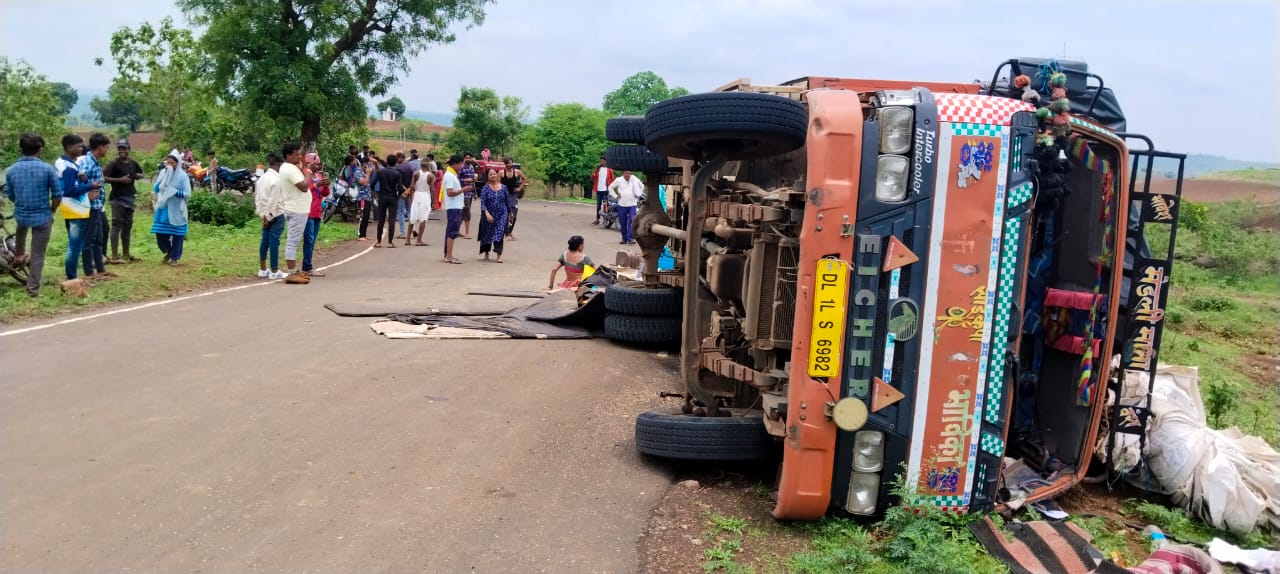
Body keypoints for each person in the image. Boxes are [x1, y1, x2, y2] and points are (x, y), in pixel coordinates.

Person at [3, 133, 62, 297]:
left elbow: (11, 194)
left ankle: (19, 254)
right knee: (37, 255)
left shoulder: (11, 170)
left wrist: (20, 203)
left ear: (22, 149)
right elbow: (57, 195)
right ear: (40, 149)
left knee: (21, 227)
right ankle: (32, 289)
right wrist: (52, 211)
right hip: (43, 216)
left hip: (21, 215)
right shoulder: (47, 169)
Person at [54, 134, 95, 281]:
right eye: (78, 146)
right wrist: (91, 185)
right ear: (69, 147)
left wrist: (82, 180)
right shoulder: (69, 167)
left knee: (75, 244)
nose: (82, 148)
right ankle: (72, 277)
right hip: (76, 210)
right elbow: (70, 190)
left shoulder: (63, 163)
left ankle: (72, 276)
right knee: (75, 246)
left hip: (71, 209)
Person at [74, 133, 112, 279]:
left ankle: (101, 269)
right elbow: (78, 181)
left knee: (98, 239)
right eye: (106, 147)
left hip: (97, 206)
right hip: (90, 206)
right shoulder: (87, 162)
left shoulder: (94, 161)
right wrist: (86, 194)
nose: (107, 150)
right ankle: (89, 272)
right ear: (100, 147)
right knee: (89, 240)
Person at [103, 138, 144, 264]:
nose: (122, 151)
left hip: (130, 197)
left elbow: (141, 173)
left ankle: (126, 253)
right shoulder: (113, 164)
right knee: (116, 226)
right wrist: (119, 180)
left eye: (124, 148)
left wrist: (138, 176)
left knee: (127, 226)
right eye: (120, 148)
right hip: (117, 198)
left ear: (129, 149)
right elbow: (103, 178)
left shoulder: (132, 163)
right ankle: (115, 256)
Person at [150, 150, 191, 266]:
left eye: (172, 163)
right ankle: (169, 251)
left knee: (178, 235)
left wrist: (174, 192)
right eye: (168, 163)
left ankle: (175, 257)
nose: (169, 165)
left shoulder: (183, 176)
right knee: (160, 233)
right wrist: (160, 184)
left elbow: (188, 194)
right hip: (163, 208)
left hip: (177, 209)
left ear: (177, 163)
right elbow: (156, 188)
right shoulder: (163, 172)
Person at [278, 142, 311, 284]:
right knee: (293, 241)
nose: (299, 156)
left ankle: (294, 270)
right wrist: (309, 172)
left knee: (295, 240)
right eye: (296, 154)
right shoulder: (289, 169)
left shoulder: (292, 167)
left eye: (300, 154)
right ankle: (291, 273)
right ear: (288, 156)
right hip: (296, 209)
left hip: (299, 208)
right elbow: (304, 186)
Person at [254, 152, 288, 279]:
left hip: (264, 214)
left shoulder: (261, 178)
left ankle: (263, 269)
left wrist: (263, 215)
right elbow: (273, 201)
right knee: (274, 241)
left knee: (265, 241)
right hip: (276, 214)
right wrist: (269, 217)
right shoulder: (277, 180)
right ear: (279, 164)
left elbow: (257, 197)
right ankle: (274, 271)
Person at [302, 152, 330, 277]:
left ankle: (307, 265)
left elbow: (323, 194)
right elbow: (304, 189)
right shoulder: (304, 174)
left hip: (317, 212)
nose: (318, 166)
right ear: (309, 163)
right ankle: (307, 267)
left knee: (312, 240)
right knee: (309, 240)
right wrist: (316, 185)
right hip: (307, 212)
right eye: (316, 164)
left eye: (319, 164)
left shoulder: (318, 175)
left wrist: (325, 186)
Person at [477, 168, 509, 262]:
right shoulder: (485, 188)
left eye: (494, 174)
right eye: (491, 174)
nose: (493, 176)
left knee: (499, 233)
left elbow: (507, 201)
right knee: (487, 233)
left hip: (502, 214)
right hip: (488, 215)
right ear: (487, 177)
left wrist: (510, 213)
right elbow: (483, 203)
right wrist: (487, 214)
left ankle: (499, 255)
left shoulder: (504, 187)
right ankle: (486, 252)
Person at [374, 154, 404, 248]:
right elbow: (400, 188)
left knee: (381, 220)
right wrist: (398, 196)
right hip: (392, 198)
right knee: (391, 220)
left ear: (386, 162)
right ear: (395, 163)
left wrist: (375, 195)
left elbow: (372, 184)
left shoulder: (380, 172)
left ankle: (378, 241)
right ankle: (390, 242)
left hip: (382, 197)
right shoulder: (397, 173)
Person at [441, 155, 465, 264]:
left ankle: (447, 254)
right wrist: (463, 189)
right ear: (454, 164)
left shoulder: (452, 175)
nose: (461, 166)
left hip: (456, 206)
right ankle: (449, 256)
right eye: (460, 164)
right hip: (454, 207)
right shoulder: (450, 176)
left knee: (450, 231)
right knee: (452, 232)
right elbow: (450, 192)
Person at [609, 170, 644, 244]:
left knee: (632, 219)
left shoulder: (634, 179)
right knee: (623, 222)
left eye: (629, 173)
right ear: (623, 174)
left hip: (632, 204)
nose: (628, 175)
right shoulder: (618, 180)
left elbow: (642, 186)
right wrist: (615, 196)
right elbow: (610, 188)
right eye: (626, 173)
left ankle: (630, 238)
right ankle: (624, 239)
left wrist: (638, 194)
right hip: (622, 204)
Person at [408, 159, 435, 246]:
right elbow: (432, 190)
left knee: (412, 217)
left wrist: (410, 197)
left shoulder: (416, 173)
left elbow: (412, 186)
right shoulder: (430, 175)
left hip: (416, 195)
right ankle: (419, 240)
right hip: (425, 196)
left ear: (421, 165)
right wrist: (433, 202)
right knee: (423, 219)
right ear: (428, 166)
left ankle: (407, 239)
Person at [500, 157, 526, 240]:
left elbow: (524, 179)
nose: (508, 165)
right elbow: (497, 183)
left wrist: (520, 188)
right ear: (504, 164)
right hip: (504, 196)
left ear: (512, 163)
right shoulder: (501, 173)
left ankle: (510, 232)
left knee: (514, 215)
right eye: (507, 163)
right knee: (506, 215)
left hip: (513, 196)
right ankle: (506, 234)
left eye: (510, 163)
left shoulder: (517, 172)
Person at [394, 151, 414, 239]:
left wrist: (404, 191)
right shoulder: (411, 167)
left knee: (401, 212)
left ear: (399, 158)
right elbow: (414, 180)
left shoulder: (397, 168)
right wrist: (409, 190)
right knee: (410, 211)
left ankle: (403, 232)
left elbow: (398, 182)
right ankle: (413, 230)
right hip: (411, 192)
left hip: (401, 193)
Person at [590, 156, 614, 225]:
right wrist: (595, 170)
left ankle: (605, 219)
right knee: (598, 205)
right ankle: (597, 219)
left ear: (606, 161)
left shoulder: (609, 169)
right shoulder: (598, 169)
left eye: (603, 161)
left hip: (605, 190)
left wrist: (611, 188)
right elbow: (592, 177)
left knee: (605, 205)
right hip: (598, 190)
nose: (602, 162)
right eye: (601, 161)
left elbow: (612, 179)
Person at [458, 151, 477, 239]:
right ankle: (467, 233)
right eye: (466, 158)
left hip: (470, 194)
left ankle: (456, 230)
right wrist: (466, 181)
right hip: (463, 193)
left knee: (463, 213)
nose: (468, 159)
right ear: (464, 159)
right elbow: (457, 179)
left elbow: (473, 181)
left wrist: (474, 192)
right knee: (467, 213)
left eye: (470, 158)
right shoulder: (461, 167)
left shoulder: (472, 167)